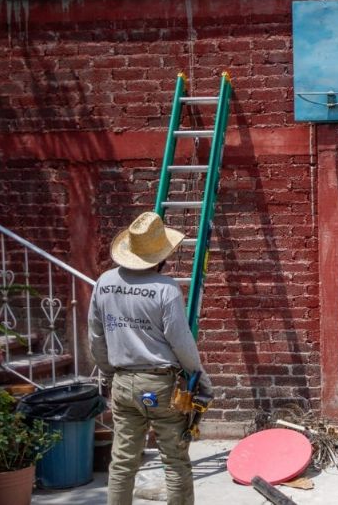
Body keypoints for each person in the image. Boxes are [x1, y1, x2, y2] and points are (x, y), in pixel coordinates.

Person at [89, 211, 213, 505]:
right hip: (160, 385)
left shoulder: (104, 283)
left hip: (122, 383)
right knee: (175, 460)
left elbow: (96, 337)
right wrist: (201, 379)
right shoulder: (166, 289)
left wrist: (108, 375)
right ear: (161, 256)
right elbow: (181, 343)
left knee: (122, 463)